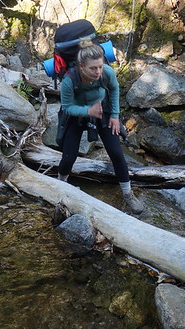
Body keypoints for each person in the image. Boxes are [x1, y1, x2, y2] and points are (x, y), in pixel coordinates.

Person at [57, 39, 145, 215]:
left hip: (102, 110)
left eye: (100, 66)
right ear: (81, 66)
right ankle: (60, 185)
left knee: (116, 153)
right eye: (93, 68)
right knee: (68, 157)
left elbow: (114, 89)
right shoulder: (69, 80)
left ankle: (128, 194)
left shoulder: (107, 73)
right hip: (76, 114)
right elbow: (67, 107)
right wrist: (87, 110)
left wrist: (114, 116)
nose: (98, 71)